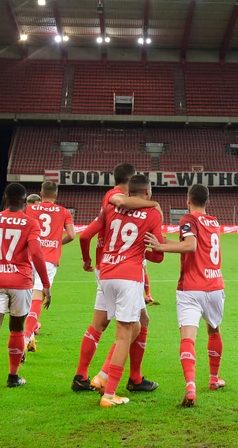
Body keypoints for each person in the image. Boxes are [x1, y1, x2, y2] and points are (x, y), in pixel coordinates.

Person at [71, 163, 162, 393]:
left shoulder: (112, 205)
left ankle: (82, 375)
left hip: (106, 267)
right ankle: (114, 379)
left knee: (102, 323)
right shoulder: (115, 197)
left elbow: (86, 236)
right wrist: (153, 204)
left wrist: (87, 260)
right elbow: (158, 254)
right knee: (133, 326)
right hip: (126, 270)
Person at [145, 184, 225, 407]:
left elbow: (190, 246)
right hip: (215, 286)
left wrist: (160, 247)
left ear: (188, 199)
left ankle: (190, 387)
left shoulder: (188, 219)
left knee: (188, 338)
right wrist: (162, 241)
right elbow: (192, 245)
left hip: (191, 287)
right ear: (207, 201)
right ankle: (214, 379)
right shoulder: (214, 222)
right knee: (214, 330)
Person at [0, 183, 51, 403]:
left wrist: (0, 266)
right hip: (21, 282)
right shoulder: (30, 223)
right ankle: (13, 376)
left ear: (5, 199)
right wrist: (45, 284)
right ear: (25, 201)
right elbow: (36, 253)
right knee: (17, 329)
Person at [23, 181, 76, 355]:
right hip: (49, 259)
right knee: (38, 296)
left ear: (41, 193)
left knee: (26, 296)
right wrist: (56, 243)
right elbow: (72, 235)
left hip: (29, 256)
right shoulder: (64, 211)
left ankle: (30, 335)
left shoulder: (29, 209)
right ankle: (26, 337)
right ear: (56, 195)